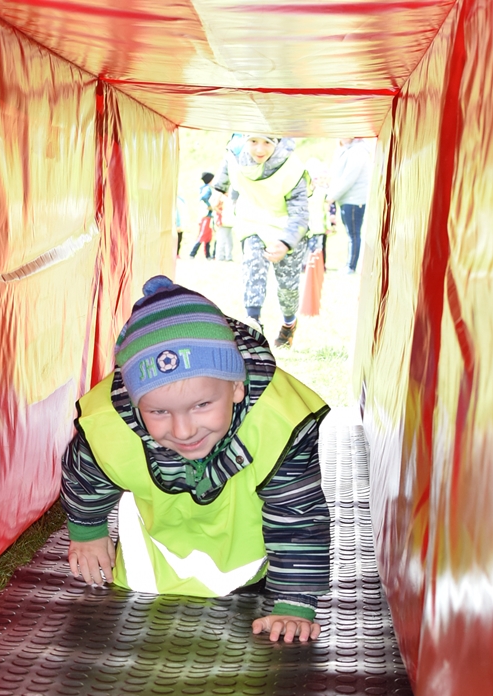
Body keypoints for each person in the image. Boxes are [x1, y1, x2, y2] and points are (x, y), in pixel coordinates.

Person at [61, 275, 331, 644]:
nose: (184, 430)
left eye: (202, 405)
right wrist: (88, 532)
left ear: (236, 387)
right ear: (136, 403)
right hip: (152, 567)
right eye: (159, 412)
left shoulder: (276, 423)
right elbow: (84, 478)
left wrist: (294, 602)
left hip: (246, 569)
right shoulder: (111, 426)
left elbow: (297, 515)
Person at [213, 134, 309, 348]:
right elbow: (228, 163)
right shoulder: (236, 151)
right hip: (253, 221)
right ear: (245, 140)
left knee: (287, 286)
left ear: (278, 143)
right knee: (253, 264)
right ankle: (253, 323)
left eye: (267, 142)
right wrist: (219, 189)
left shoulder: (293, 169)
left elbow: (300, 214)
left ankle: (289, 323)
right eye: (253, 141)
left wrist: (286, 243)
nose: (259, 149)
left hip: (285, 227)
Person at [327, 138, 371, 274]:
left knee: (354, 234)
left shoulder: (358, 150)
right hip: (346, 199)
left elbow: (348, 178)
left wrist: (332, 196)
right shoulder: (346, 150)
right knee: (351, 233)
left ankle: (351, 267)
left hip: (354, 199)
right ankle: (349, 265)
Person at [189, 171, 215, 259]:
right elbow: (203, 197)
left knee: (208, 236)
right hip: (207, 215)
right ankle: (192, 253)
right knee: (203, 234)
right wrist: (209, 206)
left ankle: (207, 255)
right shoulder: (208, 188)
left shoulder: (204, 188)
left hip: (205, 215)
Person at [213, 189, 235, 261]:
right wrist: (221, 213)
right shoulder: (222, 197)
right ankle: (220, 257)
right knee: (222, 241)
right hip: (224, 222)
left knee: (229, 242)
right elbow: (215, 206)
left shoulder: (229, 198)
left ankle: (228, 256)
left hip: (229, 222)